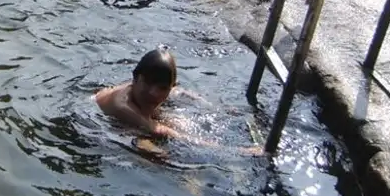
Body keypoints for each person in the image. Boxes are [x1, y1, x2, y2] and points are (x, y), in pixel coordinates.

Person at [94, 47, 264, 155]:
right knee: (154, 152)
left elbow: (179, 92)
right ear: (136, 78)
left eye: (162, 88)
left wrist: (219, 109)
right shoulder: (122, 106)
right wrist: (235, 151)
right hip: (103, 123)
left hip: (139, 116)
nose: (153, 93)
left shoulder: (148, 90)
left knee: (181, 122)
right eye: (148, 83)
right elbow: (162, 131)